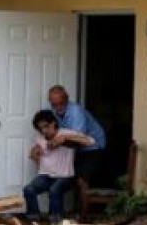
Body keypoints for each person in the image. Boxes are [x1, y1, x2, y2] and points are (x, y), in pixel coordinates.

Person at [32, 85, 107, 216]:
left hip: (93, 147)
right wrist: (40, 146)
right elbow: (49, 132)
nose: (57, 108)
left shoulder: (76, 112)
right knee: (63, 178)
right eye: (54, 104)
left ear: (66, 99)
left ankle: (83, 215)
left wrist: (61, 140)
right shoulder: (52, 111)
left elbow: (79, 139)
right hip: (74, 147)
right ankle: (57, 213)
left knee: (82, 179)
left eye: (60, 104)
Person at [23, 109, 94, 222]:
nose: (44, 131)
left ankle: (55, 219)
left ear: (53, 123)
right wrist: (35, 154)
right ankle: (33, 217)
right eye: (40, 128)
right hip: (46, 175)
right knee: (28, 189)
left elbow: (90, 141)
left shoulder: (65, 133)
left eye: (46, 126)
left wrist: (65, 138)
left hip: (64, 176)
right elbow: (35, 154)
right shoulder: (40, 138)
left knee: (54, 189)